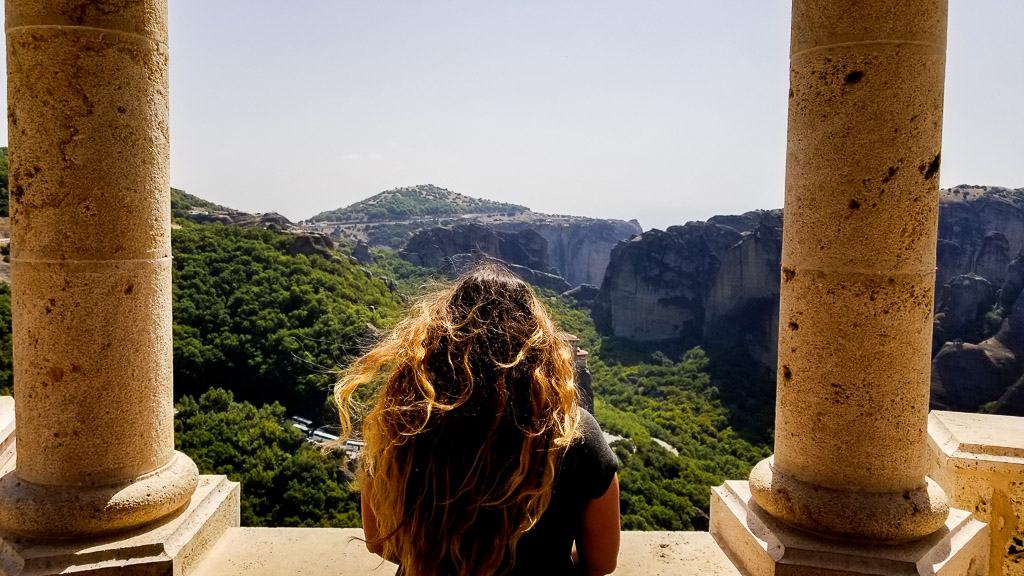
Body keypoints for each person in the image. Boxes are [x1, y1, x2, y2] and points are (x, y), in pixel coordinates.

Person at [335, 264, 620, 576]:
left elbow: (379, 542)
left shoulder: (404, 423)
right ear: (540, 349)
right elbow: (601, 563)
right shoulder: (576, 432)